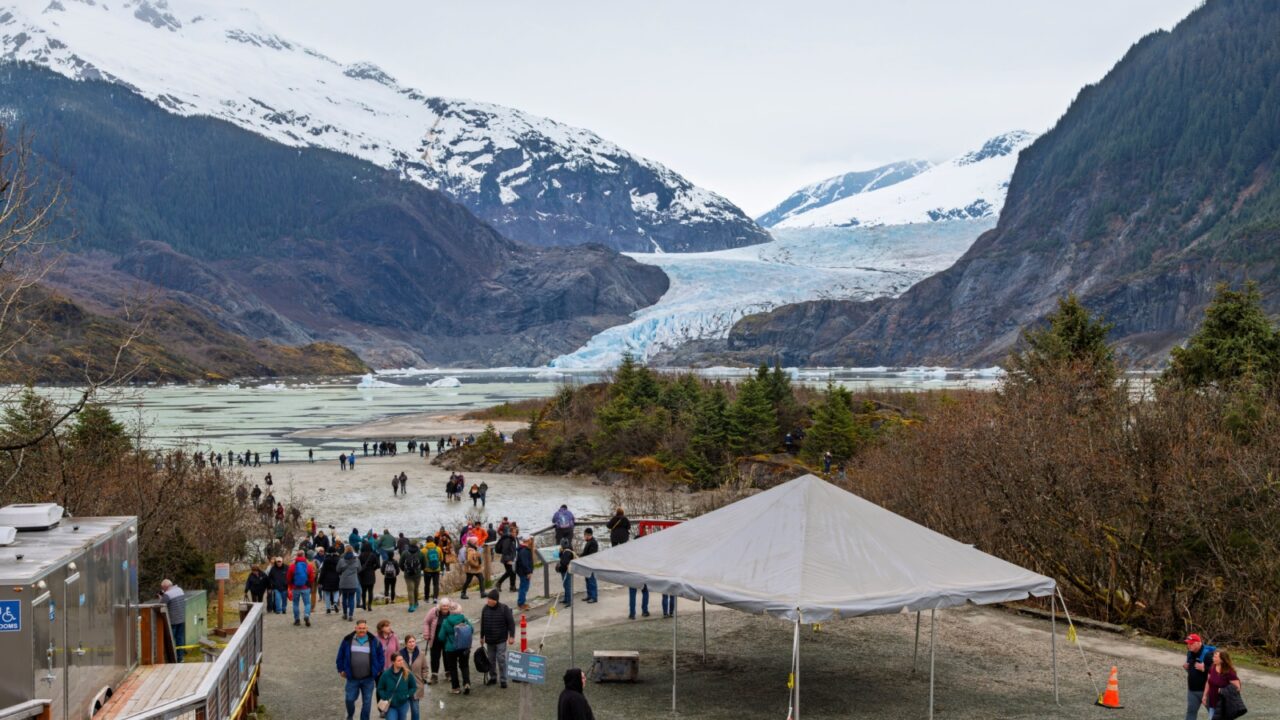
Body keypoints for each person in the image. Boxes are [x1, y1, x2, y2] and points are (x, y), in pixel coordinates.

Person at [337, 619, 384, 720]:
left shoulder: (374, 641)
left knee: (367, 703)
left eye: (364, 628)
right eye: (360, 628)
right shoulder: (347, 640)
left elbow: (381, 656)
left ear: (367, 629)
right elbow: (340, 655)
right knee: (349, 699)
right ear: (355, 628)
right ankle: (350, 715)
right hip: (352, 678)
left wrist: (379, 669)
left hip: (368, 679)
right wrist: (340, 669)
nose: (362, 630)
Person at [480, 590, 515, 688]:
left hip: (501, 639)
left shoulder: (504, 608)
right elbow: (482, 623)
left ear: (495, 600)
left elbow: (511, 623)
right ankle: (493, 678)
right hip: (489, 640)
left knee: (501, 659)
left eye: (490, 599)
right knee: (491, 660)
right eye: (488, 599)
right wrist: (481, 637)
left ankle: (503, 679)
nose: (488, 601)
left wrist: (511, 636)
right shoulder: (485, 609)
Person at [439, 602, 473, 695]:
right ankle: (466, 683)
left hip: (451, 649)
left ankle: (456, 688)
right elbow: (472, 629)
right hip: (464, 647)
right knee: (464, 666)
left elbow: (441, 637)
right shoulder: (464, 619)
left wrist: (447, 639)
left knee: (453, 668)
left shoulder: (446, 621)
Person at [1184, 633, 1218, 720]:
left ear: (1199, 643)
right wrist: (1187, 668)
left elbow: (1217, 672)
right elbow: (1192, 671)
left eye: (1191, 643)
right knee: (1191, 712)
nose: (1189, 645)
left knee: (1215, 714)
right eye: (1188, 643)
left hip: (1207, 691)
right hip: (1192, 690)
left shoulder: (1208, 655)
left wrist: (1205, 669)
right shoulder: (1189, 653)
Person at [1203, 650, 1241, 719]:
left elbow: (1237, 688)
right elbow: (1208, 682)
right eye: (1213, 656)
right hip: (1212, 702)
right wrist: (1205, 696)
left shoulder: (1230, 673)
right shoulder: (1212, 667)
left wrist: (1223, 690)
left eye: (1215, 657)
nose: (1213, 658)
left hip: (1224, 705)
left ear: (1222, 660)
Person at [422, 599, 452, 686]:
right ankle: (434, 675)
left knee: (447, 656)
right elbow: (426, 622)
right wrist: (426, 634)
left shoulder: (451, 612)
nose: (445, 607)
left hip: (447, 639)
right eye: (443, 606)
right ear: (440, 606)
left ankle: (448, 672)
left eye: (447, 606)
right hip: (435, 639)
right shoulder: (434, 611)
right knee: (435, 657)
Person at [159, 580, 187, 661]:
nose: (163, 589)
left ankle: (171, 659)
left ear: (165, 587)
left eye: (163, 588)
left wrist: (161, 597)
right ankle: (180, 658)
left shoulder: (167, 594)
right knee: (180, 639)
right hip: (181, 619)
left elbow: (161, 604)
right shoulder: (180, 590)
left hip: (172, 621)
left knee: (170, 640)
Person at [403, 635, 428, 720]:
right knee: (403, 711)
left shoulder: (421, 654)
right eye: (409, 642)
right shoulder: (400, 654)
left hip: (416, 686)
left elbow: (425, 668)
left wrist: (423, 678)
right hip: (403, 686)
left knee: (415, 709)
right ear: (406, 644)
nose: (412, 643)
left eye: (413, 641)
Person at [290, 549, 316, 627]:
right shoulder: (308, 566)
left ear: (296, 556)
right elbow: (312, 578)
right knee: (307, 603)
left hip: (295, 587)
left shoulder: (292, 566)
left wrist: (291, 585)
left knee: (295, 604)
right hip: (305, 587)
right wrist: (309, 584)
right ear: (304, 556)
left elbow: (288, 578)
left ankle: (297, 620)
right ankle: (307, 615)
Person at [338, 546, 362, 621]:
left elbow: (338, 570)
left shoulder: (341, 560)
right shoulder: (357, 560)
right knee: (351, 598)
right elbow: (359, 569)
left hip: (344, 582)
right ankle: (351, 614)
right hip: (353, 582)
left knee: (344, 598)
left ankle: (345, 614)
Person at [494, 526, 518, 592]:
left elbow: (513, 549)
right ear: (510, 532)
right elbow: (505, 550)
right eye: (513, 532)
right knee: (510, 572)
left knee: (512, 572)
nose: (514, 533)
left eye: (515, 532)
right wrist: (508, 560)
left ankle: (512, 587)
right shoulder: (508, 539)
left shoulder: (513, 539)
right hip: (507, 559)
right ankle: (498, 583)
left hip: (512, 558)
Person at [401, 543, 423, 612]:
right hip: (417, 574)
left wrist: (404, 570)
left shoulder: (404, 553)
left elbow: (400, 563)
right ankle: (416, 602)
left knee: (410, 590)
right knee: (416, 589)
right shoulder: (420, 553)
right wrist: (419, 570)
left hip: (408, 575)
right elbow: (424, 563)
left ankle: (411, 606)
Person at [320, 547, 342, 614]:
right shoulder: (338, 559)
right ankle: (335, 602)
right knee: (336, 591)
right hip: (336, 578)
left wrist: (320, 580)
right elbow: (340, 570)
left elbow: (323, 571)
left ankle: (328, 608)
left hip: (326, 578)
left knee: (327, 593)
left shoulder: (325, 560)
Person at [515, 537, 535, 610]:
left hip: (522, 571)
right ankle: (521, 603)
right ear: (528, 540)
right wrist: (528, 572)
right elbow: (525, 563)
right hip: (524, 572)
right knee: (524, 587)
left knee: (524, 587)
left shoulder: (522, 549)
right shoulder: (524, 551)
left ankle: (522, 602)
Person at [556, 539, 576, 606]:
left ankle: (569, 601)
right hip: (564, 571)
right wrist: (560, 552)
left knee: (567, 586)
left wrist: (560, 563)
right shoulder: (564, 551)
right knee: (565, 585)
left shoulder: (567, 552)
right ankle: (566, 599)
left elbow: (564, 562)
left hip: (566, 571)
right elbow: (561, 557)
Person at [580, 529, 599, 603]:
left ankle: (594, 597)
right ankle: (589, 595)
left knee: (591, 581)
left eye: (585, 535)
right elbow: (585, 553)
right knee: (587, 580)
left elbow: (590, 555)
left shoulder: (593, 543)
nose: (584, 537)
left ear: (588, 535)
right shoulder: (589, 542)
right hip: (587, 564)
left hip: (591, 565)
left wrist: (582, 557)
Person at [422, 537, 442, 604]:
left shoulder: (423, 550)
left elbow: (421, 560)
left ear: (426, 542)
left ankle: (427, 598)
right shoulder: (438, 549)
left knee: (427, 584)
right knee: (436, 584)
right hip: (436, 569)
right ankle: (435, 598)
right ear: (433, 541)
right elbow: (441, 559)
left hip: (427, 570)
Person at [359, 543, 379, 611]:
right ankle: (369, 606)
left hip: (363, 575)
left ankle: (364, 604)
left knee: (363, 591)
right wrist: (373, 568)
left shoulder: (361, 555)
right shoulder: (372, 555)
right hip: (371, 574)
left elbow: (358, 565)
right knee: (370, 591)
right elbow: (378, 565)